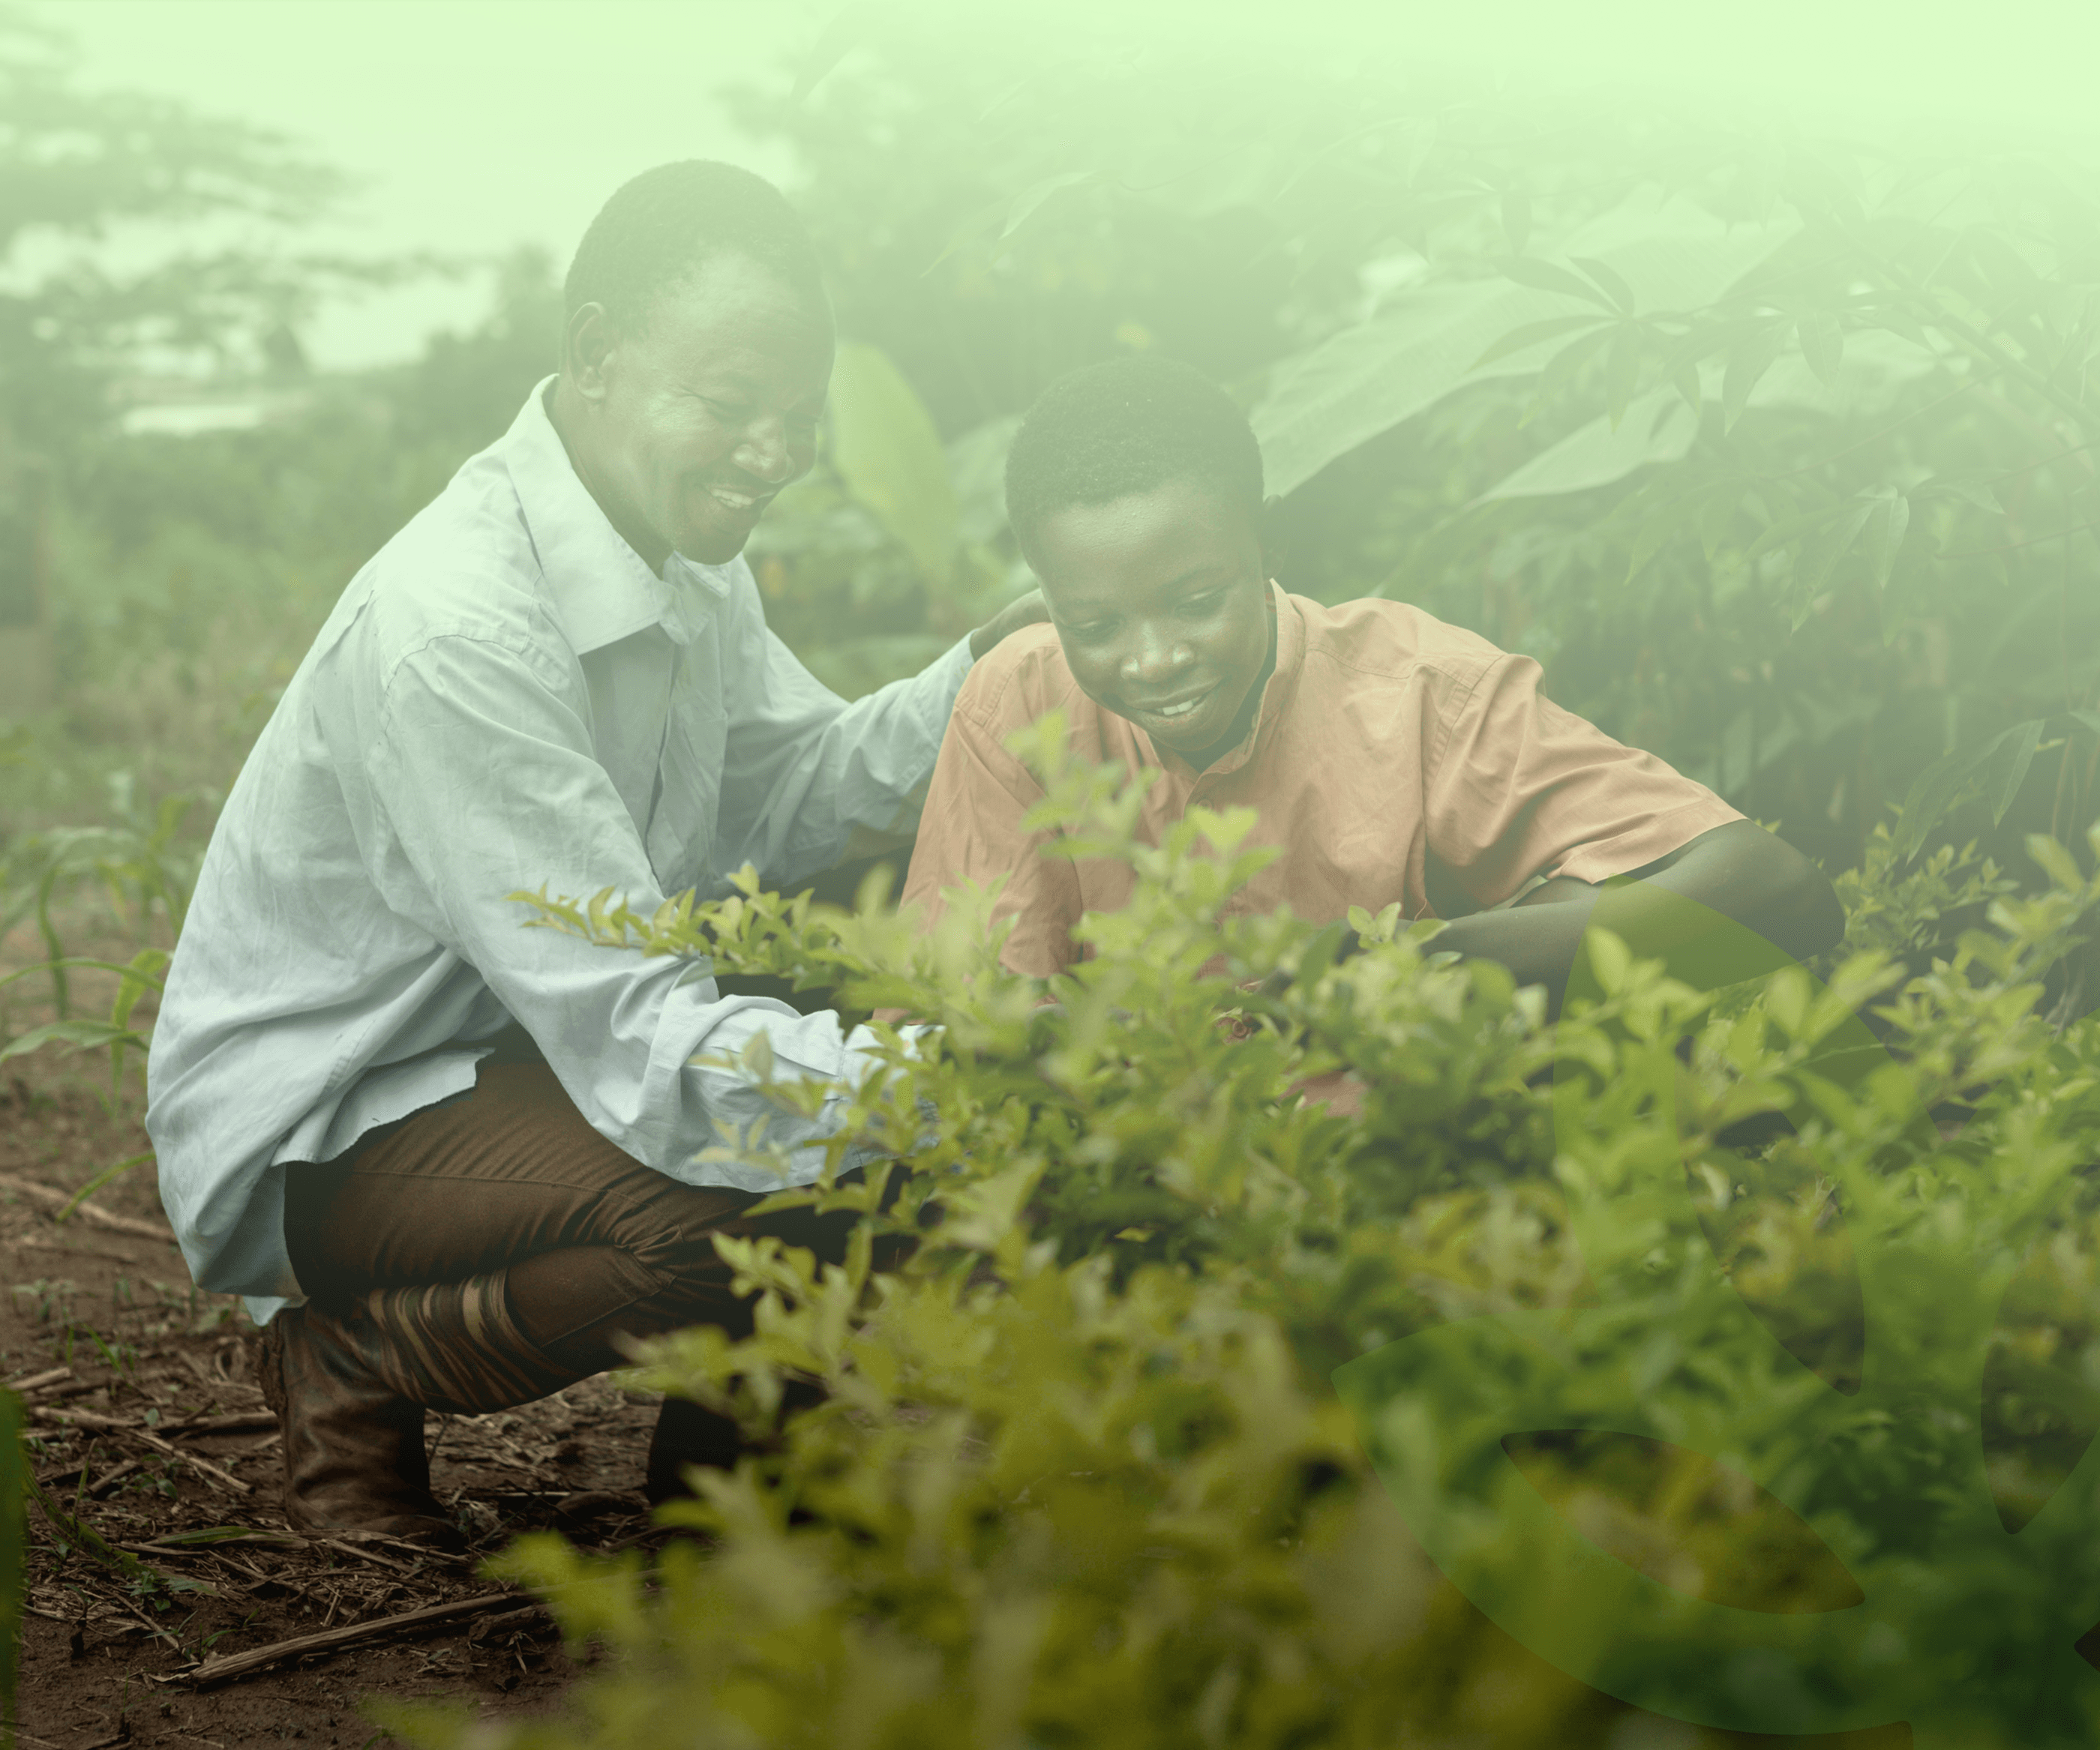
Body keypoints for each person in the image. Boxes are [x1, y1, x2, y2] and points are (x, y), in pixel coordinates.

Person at [144, 161, 1046, 1545]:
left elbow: (788, 800)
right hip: (334, 1111)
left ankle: (722, 1499)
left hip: (518, 1046)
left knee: (848, 997)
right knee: (744, 1194)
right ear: (597, 357)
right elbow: (635, 1032)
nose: (772, 452)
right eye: (732, 406)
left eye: (794, 415)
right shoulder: (460, 629)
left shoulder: (686, 555)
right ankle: (350, 1360)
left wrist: (983, 673)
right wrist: (952, 1088)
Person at [902, 355, 1844, 1020]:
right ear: (1047, 601)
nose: (1151, 660)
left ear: (1267, 546)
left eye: (1195, 601)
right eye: (1095, 625)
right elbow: (969, 1021)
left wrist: (1436, 959)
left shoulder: (1419, 690)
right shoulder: (1017, 703)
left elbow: (1774, 890)